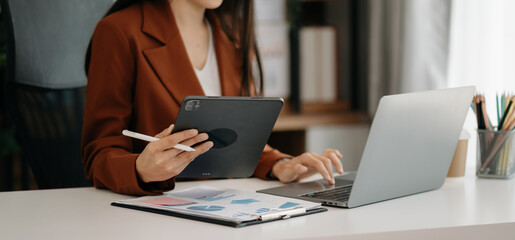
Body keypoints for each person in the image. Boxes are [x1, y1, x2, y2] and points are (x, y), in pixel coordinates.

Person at [82, 0, 343, 195]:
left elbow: (235, 141)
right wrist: (141, 168)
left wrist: (281, 164)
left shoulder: (232, 38)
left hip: (226, 207)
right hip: (153, 212)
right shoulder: (119, 31)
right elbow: (100, 153)